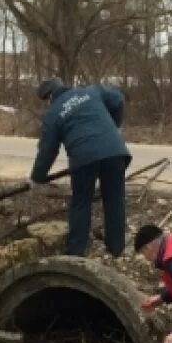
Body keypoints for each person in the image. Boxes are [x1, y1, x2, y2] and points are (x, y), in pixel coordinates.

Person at [29, 78, 131, 257]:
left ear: (49, 97)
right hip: (115, 152)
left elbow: (47, 150)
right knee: (115, 200)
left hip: (84, 159)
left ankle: (76, 251)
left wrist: (37, 176)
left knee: (81, 203)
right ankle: (116, 249)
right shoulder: (91, 91)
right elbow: (118, 99)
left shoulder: (53, 113)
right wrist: (115, 125)